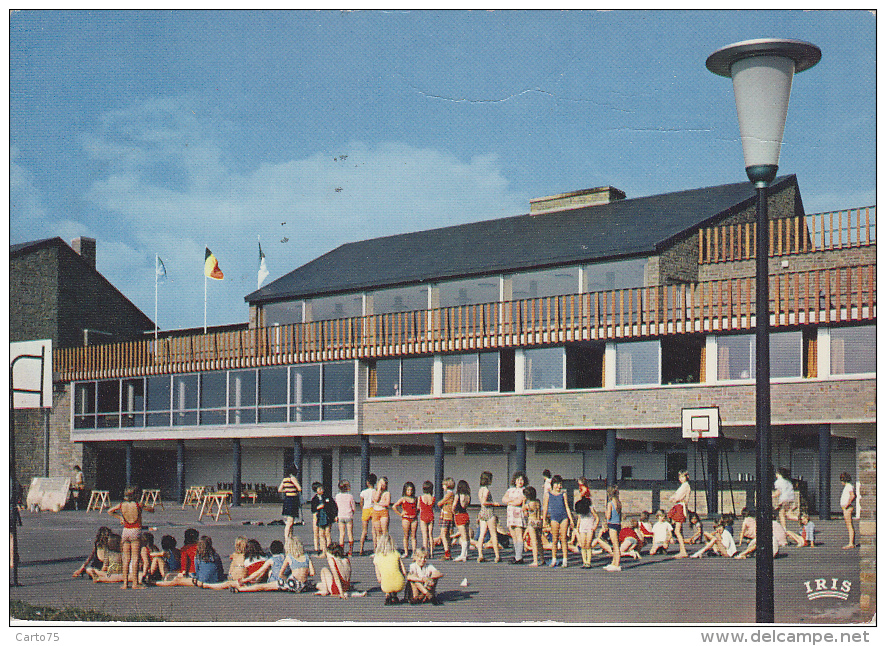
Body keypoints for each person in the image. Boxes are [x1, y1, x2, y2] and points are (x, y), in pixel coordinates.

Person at [107, 484, 154, 589]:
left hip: (125, 531)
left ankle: (124, 583)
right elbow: (151, 509)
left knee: (126, 558)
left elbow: (109, 511)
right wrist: (147, 505)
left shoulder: (122, 504)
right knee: (135, 558)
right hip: (135, 530)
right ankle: (135, 583)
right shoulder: (138, 504)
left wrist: (120, 517)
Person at [542, 474, 574, 568]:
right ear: (553, 484)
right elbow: (545, 507)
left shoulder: (563, 494)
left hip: (564, 517)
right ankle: (554, 559)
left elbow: (567, 507)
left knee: (564, 539)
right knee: (554, 539)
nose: (558, 486)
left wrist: (571, 519)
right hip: (554, 518)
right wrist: (544, 519)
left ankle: (565, 560)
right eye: (556, 484)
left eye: (560, 484)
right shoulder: (548, 494)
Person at [373, 533, 407, 605]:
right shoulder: (396, 553)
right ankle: (394, 595)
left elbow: (378, 577)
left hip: (386, 585)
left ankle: (388, 594)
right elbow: (404, 571)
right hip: (399, 584)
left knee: (386, 577)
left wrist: (380, 579)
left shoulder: (377, 556)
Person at [475, 471, 501, 563]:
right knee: (493, 534)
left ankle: (480, 554)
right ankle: (497, 555)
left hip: (482, 512)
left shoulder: (480, 490)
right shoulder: (486, 490)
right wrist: (493, 503)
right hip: (489, 511)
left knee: (482, 534)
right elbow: (484, 502)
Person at [503, 472, 528, 564]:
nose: (520, 481)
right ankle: (517, 555)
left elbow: (519, 502)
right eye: (518, 480)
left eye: (521, 480)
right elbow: (504, 499)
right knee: (513, 536)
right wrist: (511, 501)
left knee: (519, 535)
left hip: (518, 514)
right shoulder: (510, 490)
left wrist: (510, 501)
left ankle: (519, 557)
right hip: (510, 514)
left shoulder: (524, 490)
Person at [666, 470, 691, 558]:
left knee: (677, 530)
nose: (681, 479)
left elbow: (677, 497)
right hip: (678, 506)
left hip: (680, 507)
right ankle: (682, 550)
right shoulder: (683, 486)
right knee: (679, 530)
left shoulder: (685, 486)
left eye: (683, 477)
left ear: (687, 477)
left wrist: (674, 498)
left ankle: (683, 551)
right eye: (680, 477)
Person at [392, 482, 418, 558]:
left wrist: (416, 513)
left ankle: (414, 552)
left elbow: (418, 508)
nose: (410, 492)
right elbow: (394, 506)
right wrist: (400, 514)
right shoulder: (403, 499)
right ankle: (406, 552)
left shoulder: (415, 499)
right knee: (406, 535)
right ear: (405, 490)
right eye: (408, 490)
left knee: (413, 536)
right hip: (406, 518)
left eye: (411, 490)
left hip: (413, 518)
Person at [312, 483, 337, 554]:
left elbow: (333, 506)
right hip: (320, 517)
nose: (321, 490)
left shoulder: (327, 496)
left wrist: (335, 515)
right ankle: (323, 550)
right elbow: (313, 509)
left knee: (327, 533)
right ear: (316, 491)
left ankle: (329, 550)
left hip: (328, 517)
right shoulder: (314, 499)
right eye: (319, 489)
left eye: (322, 488)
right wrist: (318, 507)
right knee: (321, 534)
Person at [278, 464, 303, 536]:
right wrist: (293, 490)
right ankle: (287, 538)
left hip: (287, 499)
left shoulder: (284, 479)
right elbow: (299, 488)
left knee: (290, 520)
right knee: (290, 521)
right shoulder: (293, 478)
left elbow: (279, 490)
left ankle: (290, 537)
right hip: (293, 499)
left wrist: (286, 490)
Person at [574, 497, 599, 568]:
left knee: (588, 544)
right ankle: (584, 561)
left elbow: (597, 517)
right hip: (582, 528)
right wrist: (577, 527)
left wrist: (595, 526)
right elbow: (579, 519)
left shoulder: (591, 509)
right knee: (583, 545)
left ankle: (588, 562)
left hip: (589, 528)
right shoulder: (580, 510)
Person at [522, 486, 543, 566]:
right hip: (538, 521)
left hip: (532, 522)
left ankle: (535, 561)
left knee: (533, 541)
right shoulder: (538, 501)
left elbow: (524, 509)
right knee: (539, 541)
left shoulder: (529, 504)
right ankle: (542, 558)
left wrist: (524, 502)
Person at [603, 485, 622, 572]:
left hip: (612, 524)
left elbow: (608, 516)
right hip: (617, 524)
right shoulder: (619, 503)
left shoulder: (610, 503)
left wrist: (606, 512)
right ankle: (614, 562)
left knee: (615, 545)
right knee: (615, 544)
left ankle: (617, 564)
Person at [451, 480, 471, 562]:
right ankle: (466, 553)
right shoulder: (467, 496)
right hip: (466, 514)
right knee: (467, 535)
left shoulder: (458, 495)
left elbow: (454, 506)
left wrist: (454, 512)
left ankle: (462, 555)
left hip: (459, 515)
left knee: (463, 536)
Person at [335, 480, 356, 556]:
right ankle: (350, 551)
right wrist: (352, 512)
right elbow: (353, 507)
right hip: (348, 515)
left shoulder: (337, 496)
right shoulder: (350, 496)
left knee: (342, 534)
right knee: (350, 533)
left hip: (340, 515)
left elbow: (336, 507)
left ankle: (341, 551)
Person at [358, 473, 378, 555]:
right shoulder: (376, 491)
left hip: (366, 509)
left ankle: (361, 549)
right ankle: (375, 549)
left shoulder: (363, 492)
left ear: (367, 482)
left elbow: (361, 502)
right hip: (373, 509)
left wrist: (362, 508)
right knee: (374, 531)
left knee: (364, 531)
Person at [437, 477, 456, 560]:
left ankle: (447, 552)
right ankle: (448, 551)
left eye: (444, 485)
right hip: (447, 515)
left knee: (443, 534)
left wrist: (440, 503)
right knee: (447, 534)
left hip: (446, 516)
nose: (443, 487)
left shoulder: (449, 494)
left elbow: (440, 503)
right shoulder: (451, 494)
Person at [418, 480, 436, 559]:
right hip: (431, 516)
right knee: (430, 535)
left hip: (423, 516)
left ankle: (426, 553)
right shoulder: (433, 498)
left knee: (424, 536)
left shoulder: (421, 497)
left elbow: (418, 507)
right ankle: (432, 552)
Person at [371, 476, 392, 541]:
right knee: (378, 533)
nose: (382, 486)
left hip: (383, 512)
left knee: (384, 532)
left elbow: (387, 503)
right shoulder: (374, 492)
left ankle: (386, 548)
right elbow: (376, 499)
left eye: (383, 484)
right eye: (381, 484)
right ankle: (379, 548)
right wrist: (379, 490)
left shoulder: (387, 493)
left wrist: (379, 504)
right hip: (376, 512)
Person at [839, 472, 857, 549]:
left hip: (847, 508)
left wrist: (847, 504)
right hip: (845, 508)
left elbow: (852, 495)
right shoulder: (847, 486)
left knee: (849, 525)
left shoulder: (849, 486)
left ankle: (851, 543)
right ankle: (851, 542)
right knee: (848, 525)